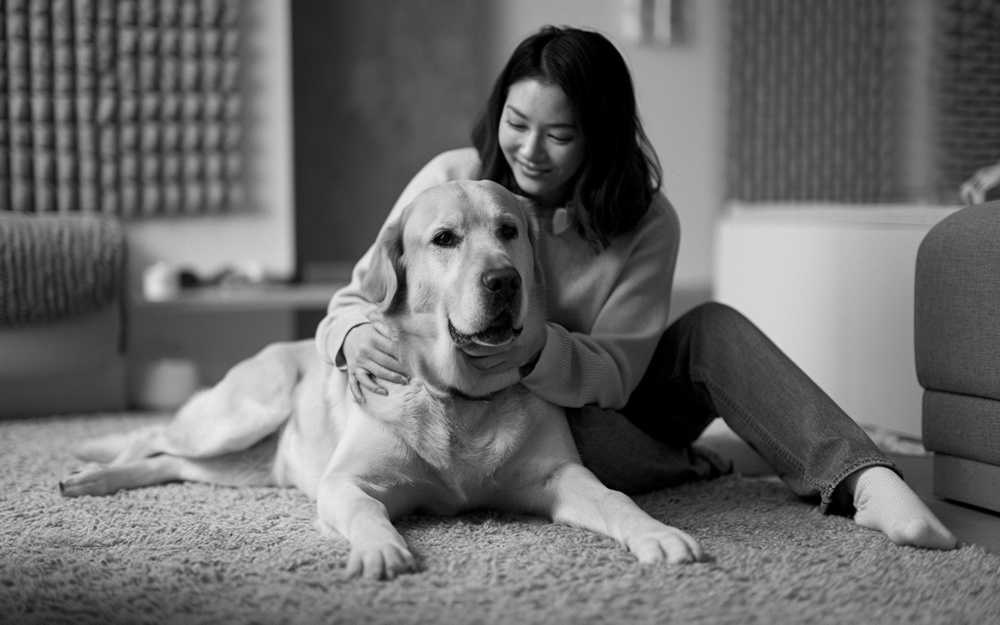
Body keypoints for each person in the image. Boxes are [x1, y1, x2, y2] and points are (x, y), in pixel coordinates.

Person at [316, 25, 957, 554]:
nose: (529, 151)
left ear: (601, 135)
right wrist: (349, 334)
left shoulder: (648, 222)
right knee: (536, 435)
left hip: (599, 406)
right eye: (516, 123)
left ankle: (863, 478)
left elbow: (618, 372)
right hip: (505, 408)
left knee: (707, 332)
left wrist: (530, 352)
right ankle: (692, 461)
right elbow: (363, 291)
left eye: (560, 135)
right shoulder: (453, 182)